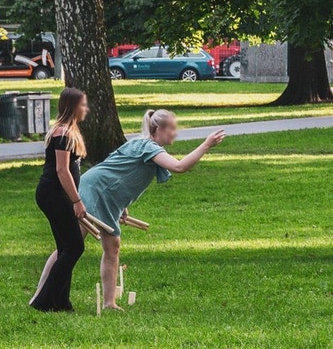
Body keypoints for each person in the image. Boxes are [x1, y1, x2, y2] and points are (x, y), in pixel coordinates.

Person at [79, 109, 225, 311]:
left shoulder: (144, 146)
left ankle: (109, 303)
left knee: (112, 247)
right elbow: (179, 167)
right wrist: (206, 144)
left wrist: (123, 205)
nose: (175, 133)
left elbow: (122, 170)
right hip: (94, 190)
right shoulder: (148, 146)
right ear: (159, 129)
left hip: (108, 197)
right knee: (72, 245)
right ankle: (46, 292)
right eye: (172, 128)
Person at [28, 89, 91, 312]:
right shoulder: (62, 133)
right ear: (73, 107)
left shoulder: (68, 132)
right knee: (75, 247)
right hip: (53, 194)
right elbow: (62, 171)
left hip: (56, 194)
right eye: (83, 105)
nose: (86, 109)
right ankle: (43, 301)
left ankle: (60, 302)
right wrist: (77, 201)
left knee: (65, 247)